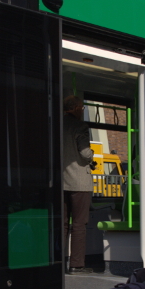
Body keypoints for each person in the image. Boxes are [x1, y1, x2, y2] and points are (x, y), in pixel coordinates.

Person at [62, 94, 95, 274]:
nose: (82, 111)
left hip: (61, 182)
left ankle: (58, 261)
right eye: (82, 108)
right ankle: (76, 265)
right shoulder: (80, 126)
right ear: (75, 108)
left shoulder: (56, 125)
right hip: (79, 182)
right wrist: (92, 156)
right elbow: (84, 153)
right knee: (79, 224)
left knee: (62, 224)